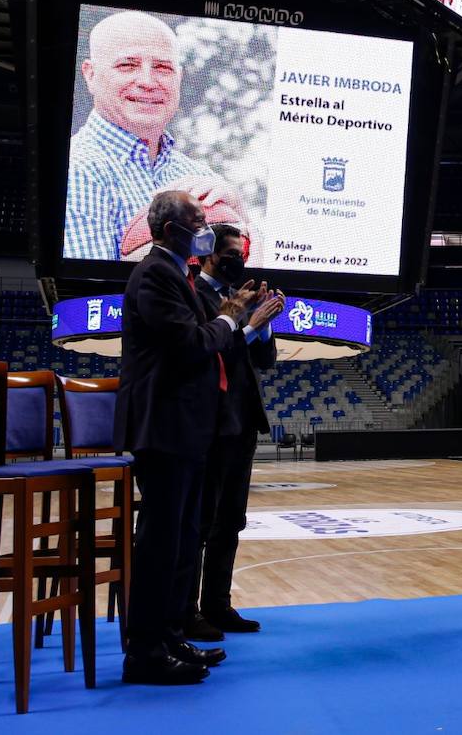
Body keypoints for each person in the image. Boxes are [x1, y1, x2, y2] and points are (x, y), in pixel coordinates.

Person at [115, 190, 282, 685]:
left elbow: (203, 336)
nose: (204, 227)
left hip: (186, 425)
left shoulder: (172, 273)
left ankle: (166, 638)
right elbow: (192, 343)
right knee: (160, 540)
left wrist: (232, 313)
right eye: (198, 221)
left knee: (180, 538)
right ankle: (143, 652)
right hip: (165, 425)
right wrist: (235, 319)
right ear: (172, 231)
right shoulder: (155, 274)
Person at [64, 10, 249, 261]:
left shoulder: (204, 179)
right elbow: (88, 291)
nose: (148, 81)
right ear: (91, 75)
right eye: (127, 65)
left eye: (163, 67)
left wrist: (240, 215)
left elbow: (258, 283)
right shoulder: (76, 168)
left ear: (179, 78)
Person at [185, 225, 278, 642]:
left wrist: (264, 321)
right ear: (206, 255)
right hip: (210, 420)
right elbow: (209, 349)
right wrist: (250, 323)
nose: (236, 261)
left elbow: (265, 359)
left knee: (231, 520)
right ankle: (187, 610)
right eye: (228, 254)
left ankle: (218, 605)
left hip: (242, 419)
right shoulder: (195, 296)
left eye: (240, 254)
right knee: (201, 521)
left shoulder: (239, 297)